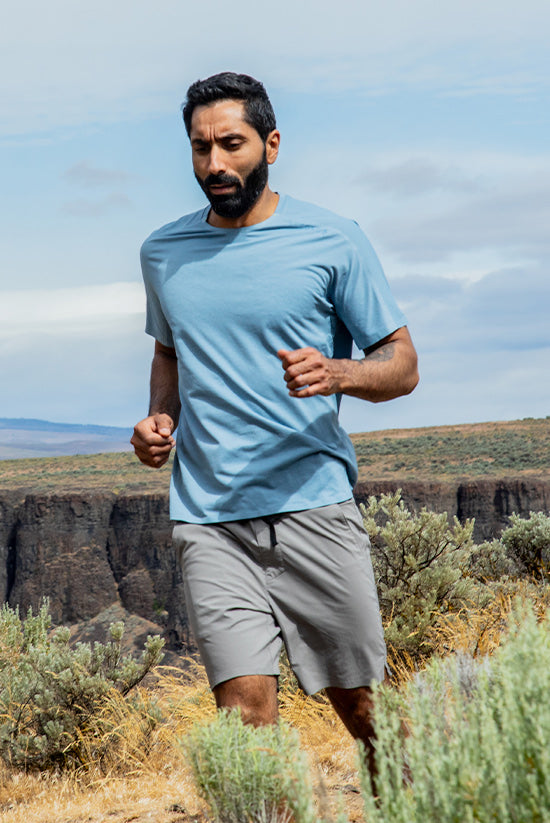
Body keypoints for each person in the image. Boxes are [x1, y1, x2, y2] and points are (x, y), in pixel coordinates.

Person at [131, 71, 419, 778]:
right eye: (201, 148)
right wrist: (158, 419)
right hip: (211, 516)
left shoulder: (333, 239)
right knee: (247, 720)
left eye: (231, 144)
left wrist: (339, 372)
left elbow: (403, 364)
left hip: (312, 506)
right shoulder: (163, 254)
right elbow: (169, 352)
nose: (215, 165)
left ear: (272, 143)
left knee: (365, 709)